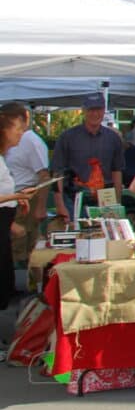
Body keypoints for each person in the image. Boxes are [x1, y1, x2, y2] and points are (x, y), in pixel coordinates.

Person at [0, 103, 53, 309]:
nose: (21, 135)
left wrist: (15, 200)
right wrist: (16, 196)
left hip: (5, 220)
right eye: (18, 129)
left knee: (7, 270)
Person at [51, 93, 126, 220]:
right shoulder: (67, 137)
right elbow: (56, 173)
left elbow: (117, 171)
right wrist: (60, 205)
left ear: (103, 110)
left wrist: (117, 203)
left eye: (98, 109)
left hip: (106, 197)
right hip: (75, 197)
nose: (95, 114)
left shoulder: (113, 138)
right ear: (83, 111)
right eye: (91, 110)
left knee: (105, 236)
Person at [3, 102, 50, 251]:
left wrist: (39, 206)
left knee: (24, 249)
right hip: (11, 207)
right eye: (16, 129)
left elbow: (44, 175)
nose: (19, 133)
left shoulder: (31, 140)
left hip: (23, 201)